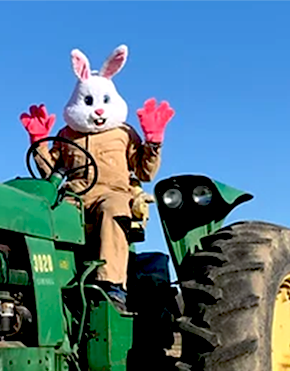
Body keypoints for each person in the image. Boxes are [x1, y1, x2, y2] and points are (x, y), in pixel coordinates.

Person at [20, 44, 174, 311]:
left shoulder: (123, 133)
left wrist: (153, 142)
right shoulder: (67, 135)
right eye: (90, 102)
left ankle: (113, 287)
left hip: (112, 193)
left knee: (112, 209)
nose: (98, 110)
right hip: (74, 197)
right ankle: (42, 281)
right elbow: (50, 173)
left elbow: (144, 172)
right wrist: (40, 144)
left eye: (103, 102)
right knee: (42, 213)